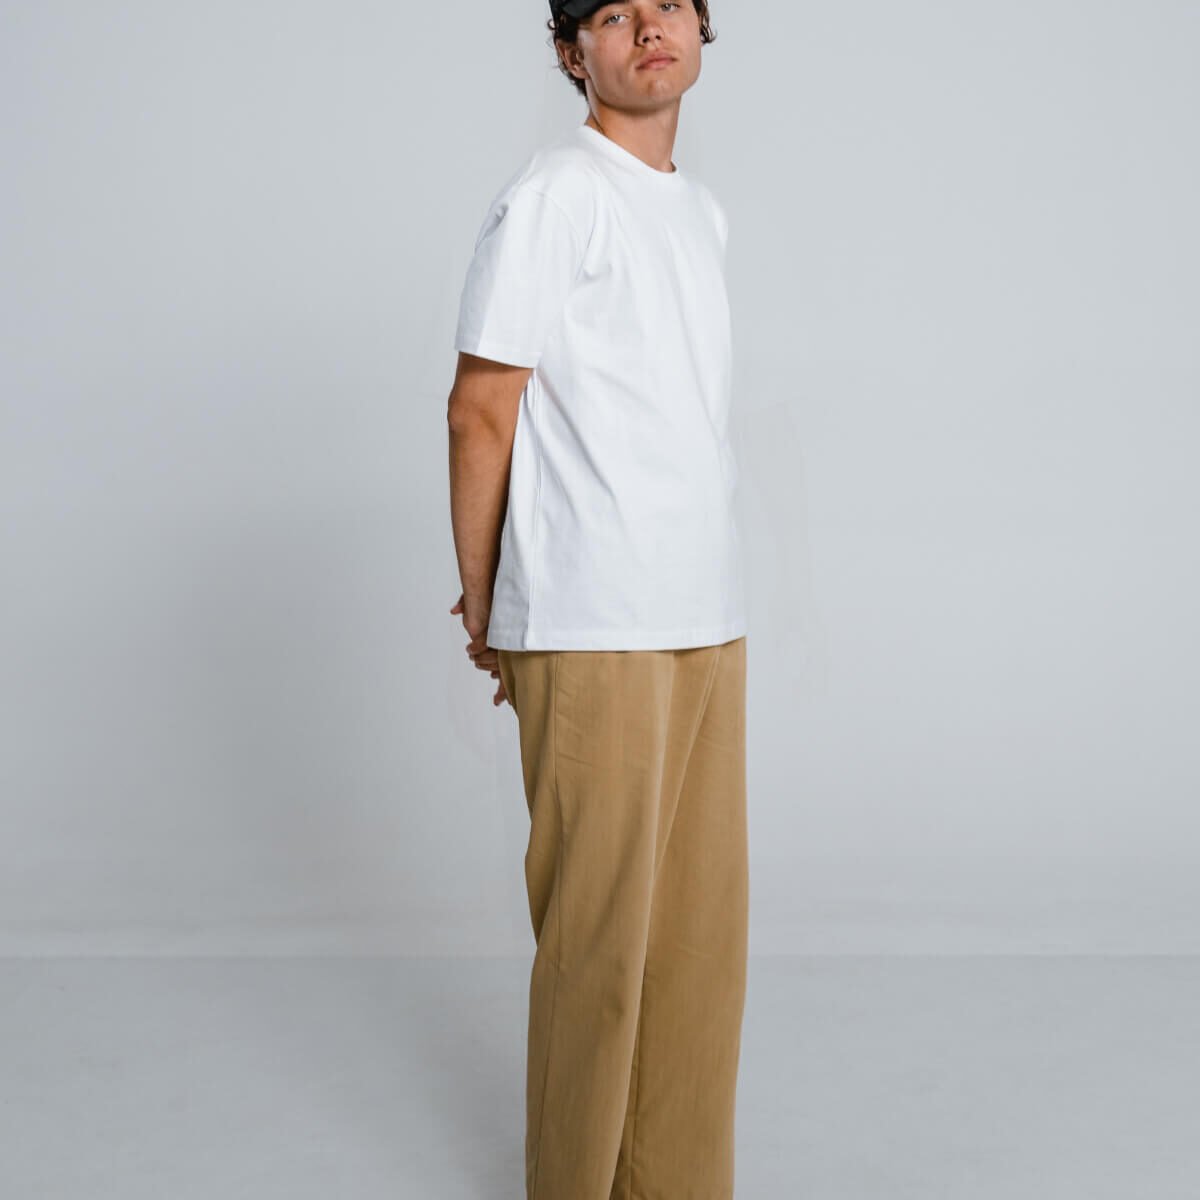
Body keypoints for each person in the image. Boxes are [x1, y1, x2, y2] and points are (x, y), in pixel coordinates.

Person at [447, 2, 747, 1197]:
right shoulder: (556, 194)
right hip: (591, 615)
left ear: (702, 29)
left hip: (702, 611)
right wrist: (487, 603)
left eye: (667, 4)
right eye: (612, 15)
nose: (647, 29)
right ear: (576, 53)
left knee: (696, 947)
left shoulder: (698, 210)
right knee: (598, 949)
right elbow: (481, 406)